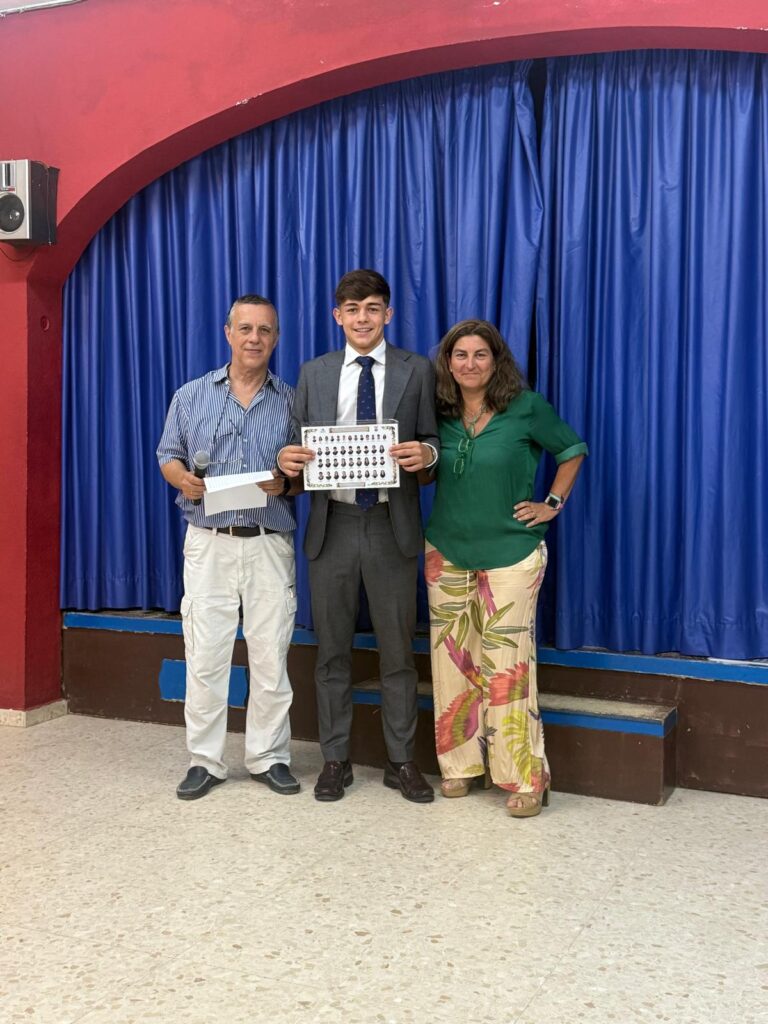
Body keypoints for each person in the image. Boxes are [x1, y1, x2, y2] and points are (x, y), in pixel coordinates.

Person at [278, 270, 440, 803]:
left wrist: (427, 454)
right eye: (352, 308)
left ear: (388, 314)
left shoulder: (417, 370)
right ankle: (334, 759)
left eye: (372, 307)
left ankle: (401, 761)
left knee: (398, 652)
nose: (362, 317)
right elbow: (294, 447)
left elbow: (434, 440)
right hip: (334, 525)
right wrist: (287, 459)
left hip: (393, 526)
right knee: (332, 652)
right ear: (337, 316)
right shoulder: (314, 372)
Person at [423, 320, 587, 817]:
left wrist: (551, 503)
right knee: (452, 663)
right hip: (446, 551)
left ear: (497, 361)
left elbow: (572, 450)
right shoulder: (436, 412)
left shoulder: (527, 407)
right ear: (447, 363)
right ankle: (460, 766)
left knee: (508, 667)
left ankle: (526, 777)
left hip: (513, 553)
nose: (469, 364)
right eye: (460, 355)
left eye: (480, 354)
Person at [157, 294, 300, 801]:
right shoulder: (190, 395)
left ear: (275, 338)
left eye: (264, 330)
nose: (254, 338)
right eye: (245, 328)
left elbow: (305, 475)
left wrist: (287, 484)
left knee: (271, 655)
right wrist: (182, 480)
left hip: (268, 542)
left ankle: (269, 756)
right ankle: (205, 760)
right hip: (209, 542)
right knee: (205, 654)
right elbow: (168, 455)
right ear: (228, 333)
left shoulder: (292, 401)